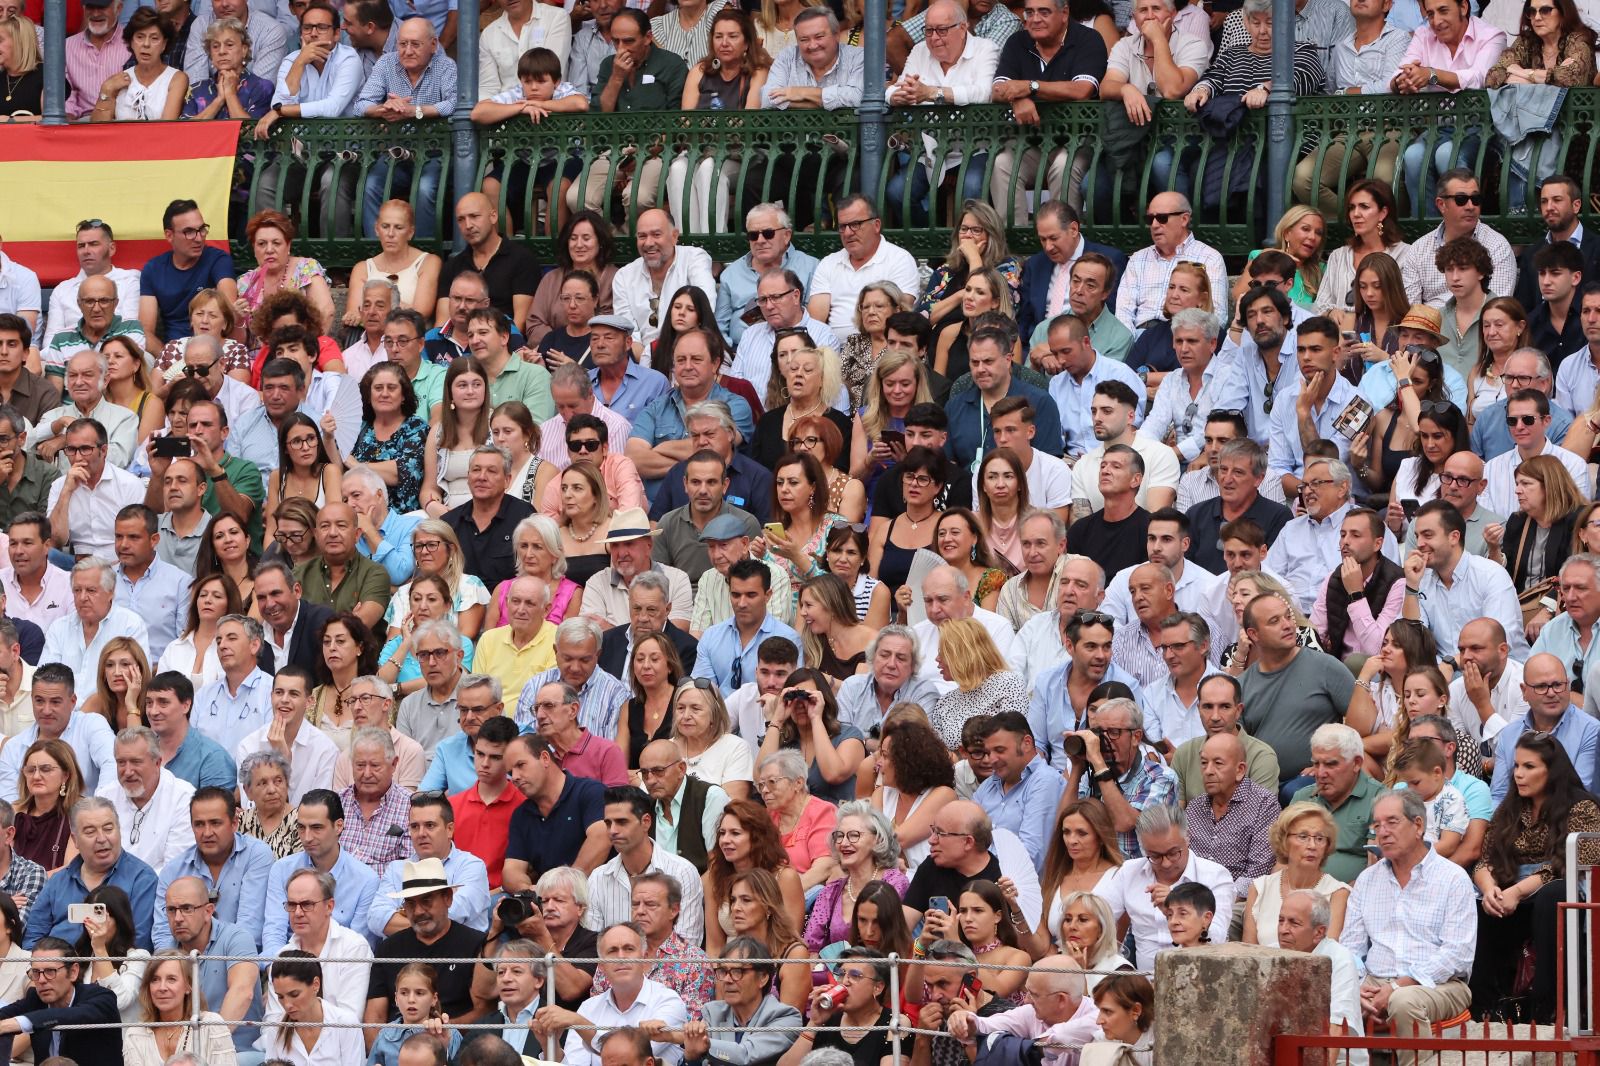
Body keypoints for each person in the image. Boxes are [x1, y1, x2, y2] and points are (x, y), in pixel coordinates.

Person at [1341, 788, 1478, 1037]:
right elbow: (1351, 947)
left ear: (1418, 826)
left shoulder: (1453, 878)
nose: (1382, 832)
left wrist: (1398, 985)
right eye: (1377, 825)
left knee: (1403, 1002)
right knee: (1331, 995)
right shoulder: (1367, 880)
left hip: (1437, 983)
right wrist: (1356, 986)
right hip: (1375, 979)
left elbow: (1457, 954)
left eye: (1392, 822)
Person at [502, 734, 610, 885]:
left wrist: (566, 887)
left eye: (520, 765)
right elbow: (511, 871)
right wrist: (529, 890)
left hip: (595, 895)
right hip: (547, 900)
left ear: (545, 758)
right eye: (510, 772)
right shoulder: (521, 814)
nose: (514, 777)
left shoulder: (590, 792)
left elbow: (601, 838)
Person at [0, 936, 121, 1062]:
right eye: (35, 972)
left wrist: (14, 1024)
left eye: (50, 971)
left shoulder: (102, 998)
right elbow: (6, 1013)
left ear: (73, 972)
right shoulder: (35, 999)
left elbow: (69, 1015)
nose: (41, 980)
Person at [122, 949, 239, 1066]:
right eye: (155, 980)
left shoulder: (211, 1025)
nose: (162, 987)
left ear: (188, 986)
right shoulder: (135, 1034)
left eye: (171, 979)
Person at [266, 952, 367, 1065]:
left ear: (316, 984)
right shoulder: (275, 1029)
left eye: (294, 994)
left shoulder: (346, 1023)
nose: (287, 1004)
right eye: (280, 996)